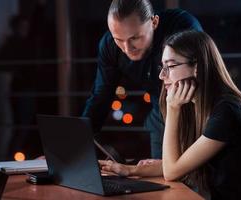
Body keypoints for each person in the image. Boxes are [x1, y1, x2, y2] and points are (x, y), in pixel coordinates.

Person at [99, 30, 241, 199]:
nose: (162, 75)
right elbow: (180, 163)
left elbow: (172, 170)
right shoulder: (198, 106)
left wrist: (173, 109)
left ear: (197, 68)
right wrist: (128, 170)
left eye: (170, 66)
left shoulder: (226, 112)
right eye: (162, 67)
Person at [82, 0, 203, 159]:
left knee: (192, 176)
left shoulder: (182, 27)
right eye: (118, 39)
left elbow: (198, 77)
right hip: (160, 114)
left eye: (135, 38)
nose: (126, 48)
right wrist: (74, 147)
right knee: (165, 179)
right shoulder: (110, 45)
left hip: (195, 111)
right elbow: (100, 96)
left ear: (154, 22)